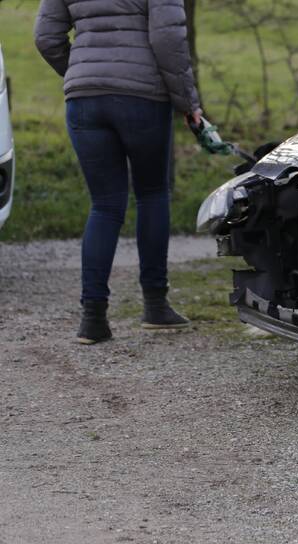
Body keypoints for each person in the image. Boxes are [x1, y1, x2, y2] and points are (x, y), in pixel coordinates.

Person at [34, 0, 203, 345]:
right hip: (142, 97)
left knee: (105, 206)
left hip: (83, 101)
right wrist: (188, 102)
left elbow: (46, 37)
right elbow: (167, 39)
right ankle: (155, 306)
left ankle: (92, 320)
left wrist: (83, 72)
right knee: (152, 194)